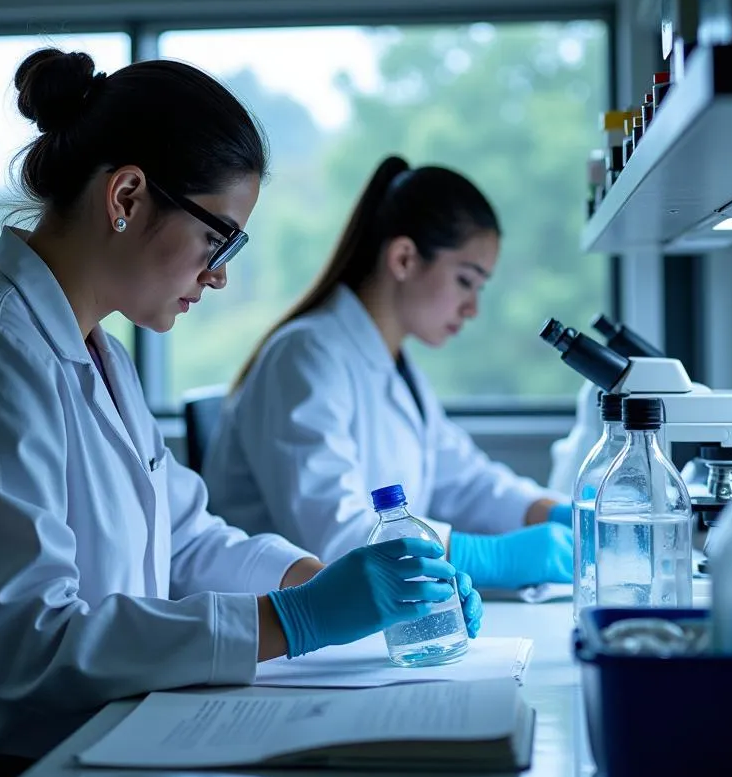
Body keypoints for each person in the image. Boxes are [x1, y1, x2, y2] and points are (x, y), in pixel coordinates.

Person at [0, 55, 482, 777]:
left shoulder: (98, 353)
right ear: (127, 196)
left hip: (73, 748)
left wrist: (331, 586)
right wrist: (298, 621)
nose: (220, 275)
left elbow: (188, 540)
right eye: (217, 237)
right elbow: (29, 640)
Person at [204, 155, 575, 591]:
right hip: (278, 629)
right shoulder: (305, 357)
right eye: (465, 281)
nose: (473, 308)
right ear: (403, 259)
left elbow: (465, 481)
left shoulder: (397, 368)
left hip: (362, 621)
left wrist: (557, 512)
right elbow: (335, 536)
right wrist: (489, 557)